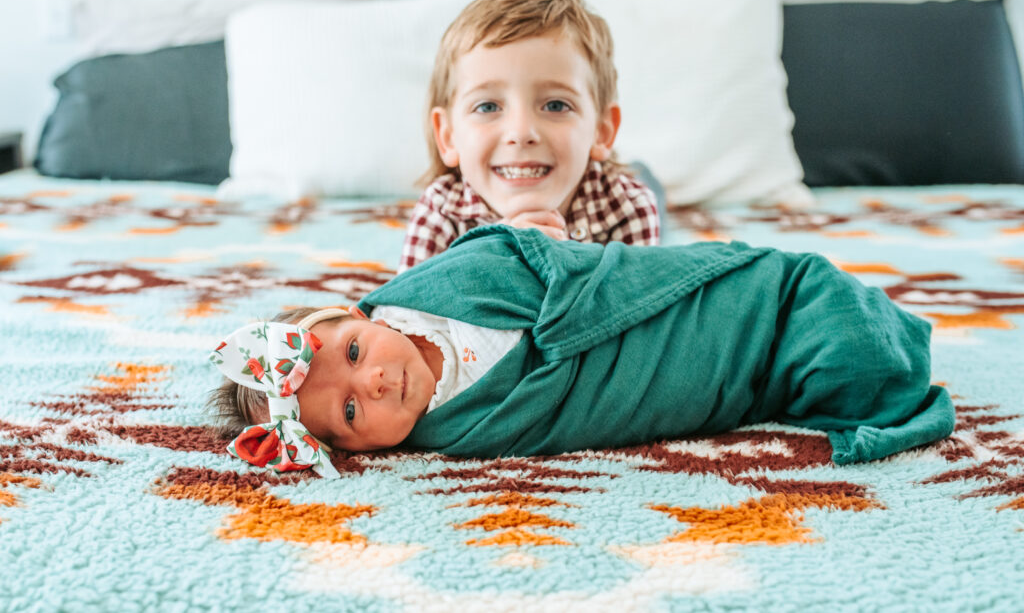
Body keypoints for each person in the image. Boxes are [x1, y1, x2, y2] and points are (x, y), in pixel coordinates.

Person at [209, 226, 956, 479]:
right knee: (851, 364)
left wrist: (549, 257)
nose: (373, 380)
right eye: (347, 410)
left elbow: (521, 257)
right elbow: (588, 404)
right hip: (711, 365)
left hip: (736, 298)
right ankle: (794, 373)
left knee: (833, 323)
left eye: (352, 349)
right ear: (353, 451)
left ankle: (811, 327)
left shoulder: (430, 288)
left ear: (354, 311)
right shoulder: (453, 436)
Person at [398, 0, 661, 272]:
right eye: (487, 107)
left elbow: (636, 311)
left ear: (602, 131)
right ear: (448, 137)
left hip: (621, 185)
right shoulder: (440, 209)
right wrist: (497, 256)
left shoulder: (627, 204)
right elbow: (405, 312)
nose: (521, 133)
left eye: (556, 105)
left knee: (649, 185)